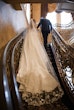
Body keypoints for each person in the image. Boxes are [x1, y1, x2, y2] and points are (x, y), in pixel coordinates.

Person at [16, 19, 63, 106]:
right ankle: (45, 45)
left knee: (44, 41)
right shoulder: (36, 30)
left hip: (33, 48)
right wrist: (49, 29)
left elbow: (28, 46)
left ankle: (45, 45)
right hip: (46, 31)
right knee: (44, 41)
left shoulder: (29, 33)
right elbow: (50, 24)